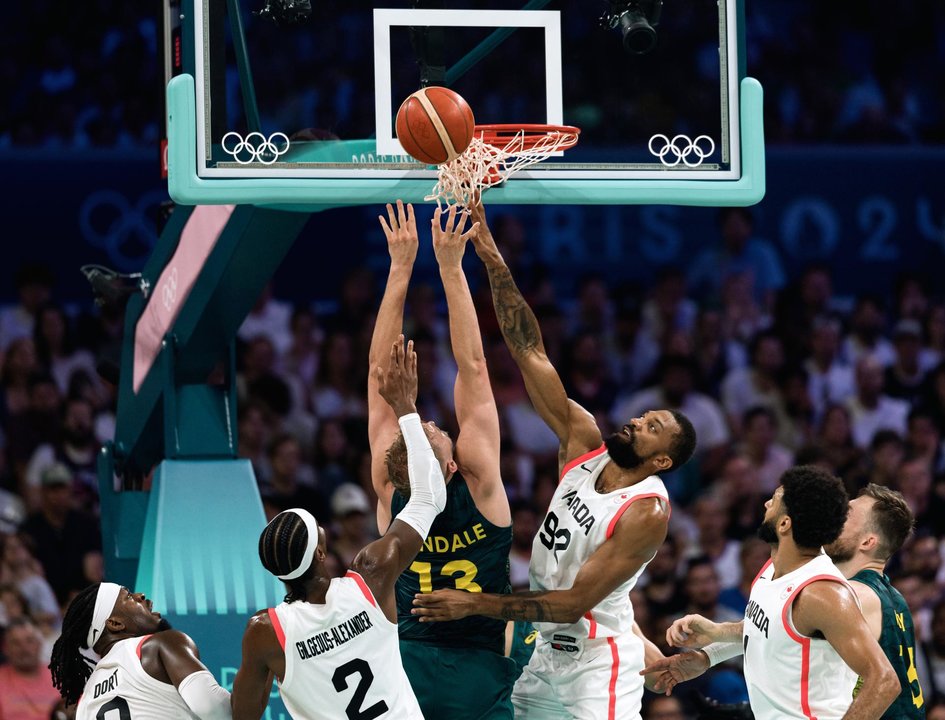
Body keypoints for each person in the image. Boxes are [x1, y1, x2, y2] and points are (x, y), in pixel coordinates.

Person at [412, 200, 697, 719]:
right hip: (547, 650)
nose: (637, 422)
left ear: (661, 463)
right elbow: (529, 351)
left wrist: (474, 603)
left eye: (652, 428)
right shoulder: (583, 442)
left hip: (598, 661)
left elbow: (572, 602)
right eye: (644, 416)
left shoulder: (645, 512)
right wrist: (489, 252)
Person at [231, 335, 442, 719]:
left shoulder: (265, 631)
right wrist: (405, 408)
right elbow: (430, 497)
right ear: (321, 553)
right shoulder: (370, 577)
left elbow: (241, 716)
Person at [367, 201, 516, 718]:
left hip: (404, 664)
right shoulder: (478, 484)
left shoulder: (391, 487)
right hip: (478, 667)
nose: (432, 420)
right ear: (449, 468)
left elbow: (377, 378)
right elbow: (473, 366)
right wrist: (451, 268)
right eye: (433, 431)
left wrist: (400, 268)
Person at [641, 465, 900, 719]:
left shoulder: (822, 594)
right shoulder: (774, 566)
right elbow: (770, 628)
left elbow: (885, 680)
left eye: (774, 500)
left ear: (785, 524)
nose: (766, 504)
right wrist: (709, 652)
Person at [49, 582, 232, 719]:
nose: (141, 596)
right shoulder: (158, 645)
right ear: (115, 624)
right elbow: (216, 711)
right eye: (128, 596)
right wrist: (256, 668)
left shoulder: (84, 702)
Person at [824, 483, 925, 717]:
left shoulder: (854, 595)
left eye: (846, 515)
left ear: (868, 542)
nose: (834, 517)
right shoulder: (895, 597)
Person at [0, 616, 61, 720]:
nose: (24, 648)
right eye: (16, 643)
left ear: (40, 644)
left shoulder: (61, 676)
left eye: (29, 641)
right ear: (5, 648)